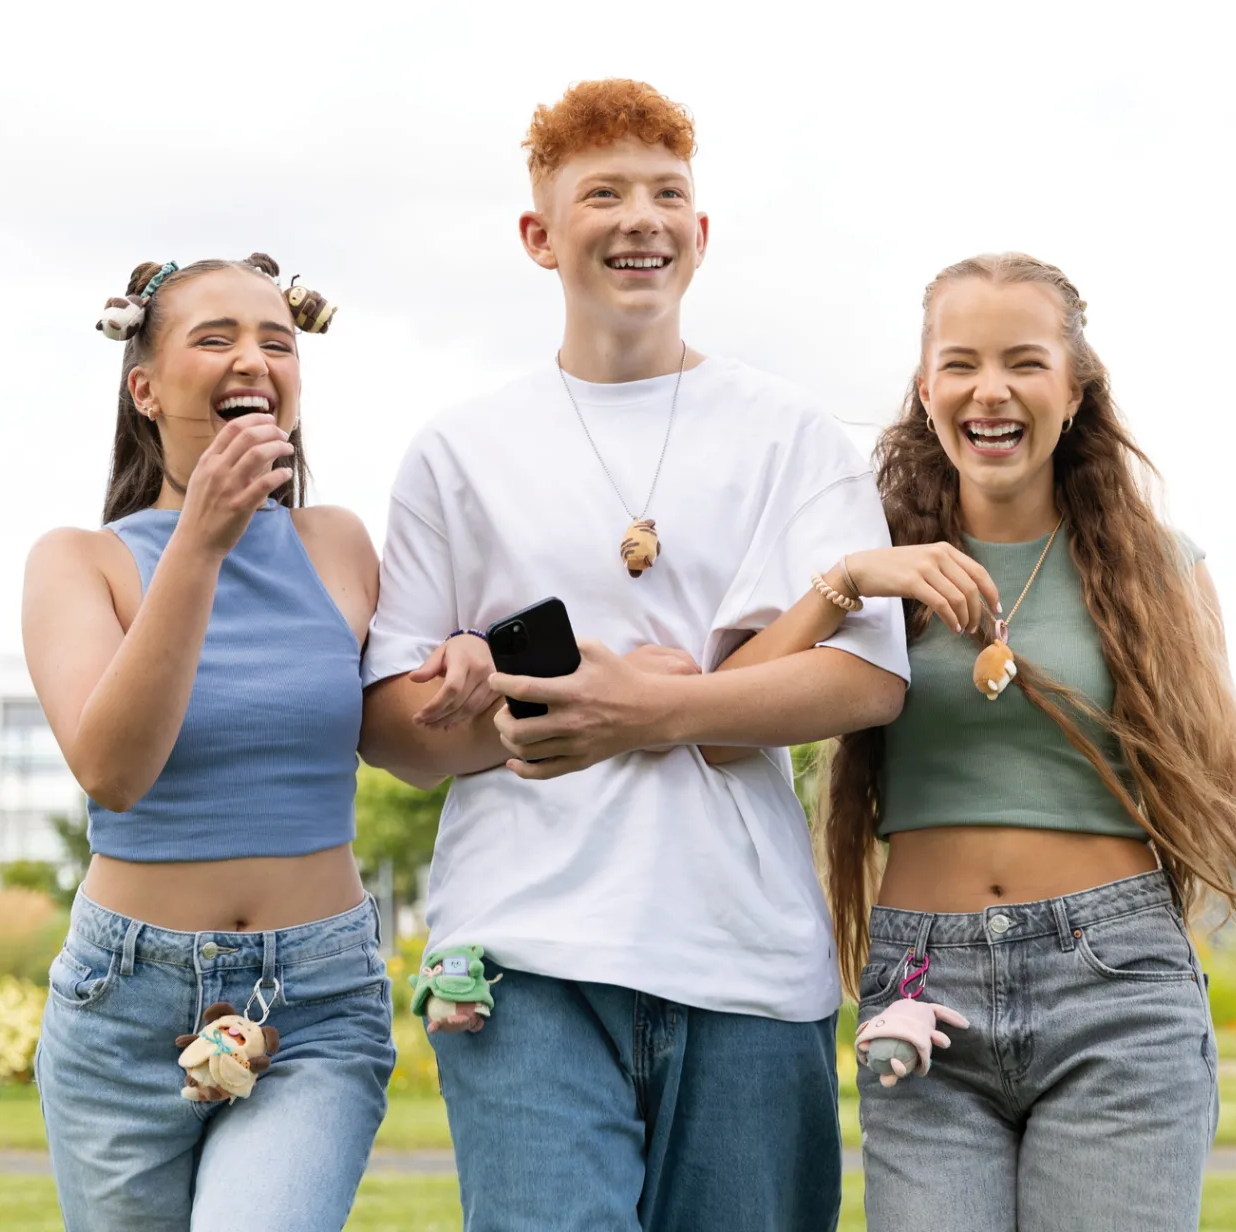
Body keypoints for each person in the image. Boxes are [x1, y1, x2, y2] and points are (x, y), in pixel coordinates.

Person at [722, 252, 1236, 1230]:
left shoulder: (1153, 568)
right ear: (926, 385)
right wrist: (845, 578)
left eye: (1024, 360)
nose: (991, 389)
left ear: (1075, 385)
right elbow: (720, 719)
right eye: (960, 362)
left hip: (1118, 989)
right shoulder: (876, 563)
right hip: (922, 993)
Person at [358, 80, 908, 1232]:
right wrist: (491, 710)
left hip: (747, 956)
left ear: (700, 237)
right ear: (539, 235)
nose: (639, 218)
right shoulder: (460, 450)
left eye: (667, 194)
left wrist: (655, 711)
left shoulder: (795, 432)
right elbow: (394, 736)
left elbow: (867, 675)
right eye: (600, 193)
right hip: (521, 958)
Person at [23, 253, 394, 1231]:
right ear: (143, 387)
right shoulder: (80, 561)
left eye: (277, 341)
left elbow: (397, 727)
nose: (253, 360)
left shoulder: (339, 544)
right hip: (125, 1005)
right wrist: (198, 539)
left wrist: (471, 671)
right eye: (216, 338)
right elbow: (113, 768)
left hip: (312, 997)